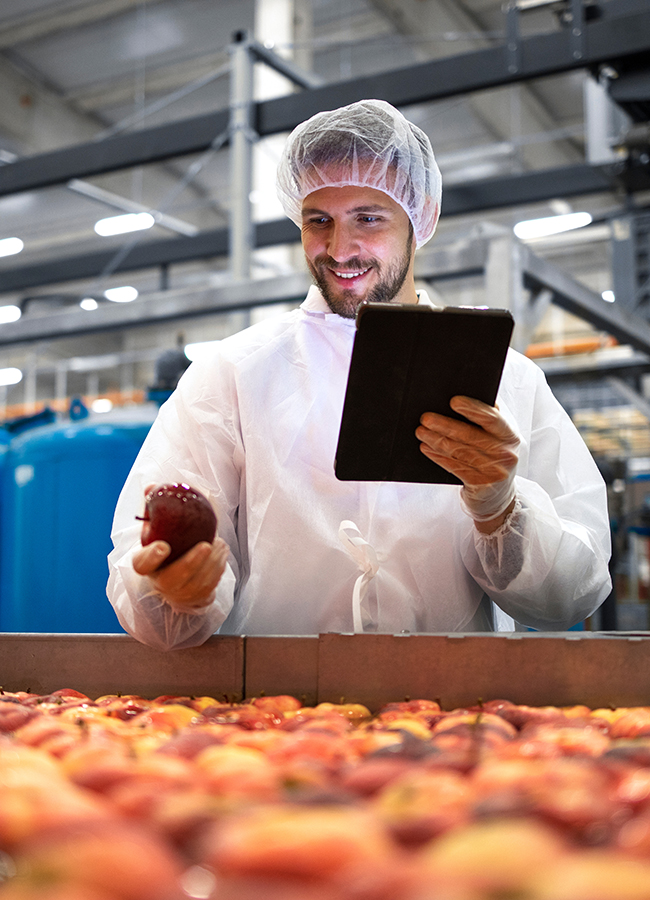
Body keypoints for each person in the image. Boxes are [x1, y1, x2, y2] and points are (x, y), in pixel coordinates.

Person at [107, 99, 611, 650]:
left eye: (368, 218)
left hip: (447, 711)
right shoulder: (231, 374)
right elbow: (150, 559)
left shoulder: (508, 381)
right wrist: (180, 589)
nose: (340, 249)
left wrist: (500, 508)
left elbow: (571, 596)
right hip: (277, 717)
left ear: (420, 218)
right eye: (318, 220)